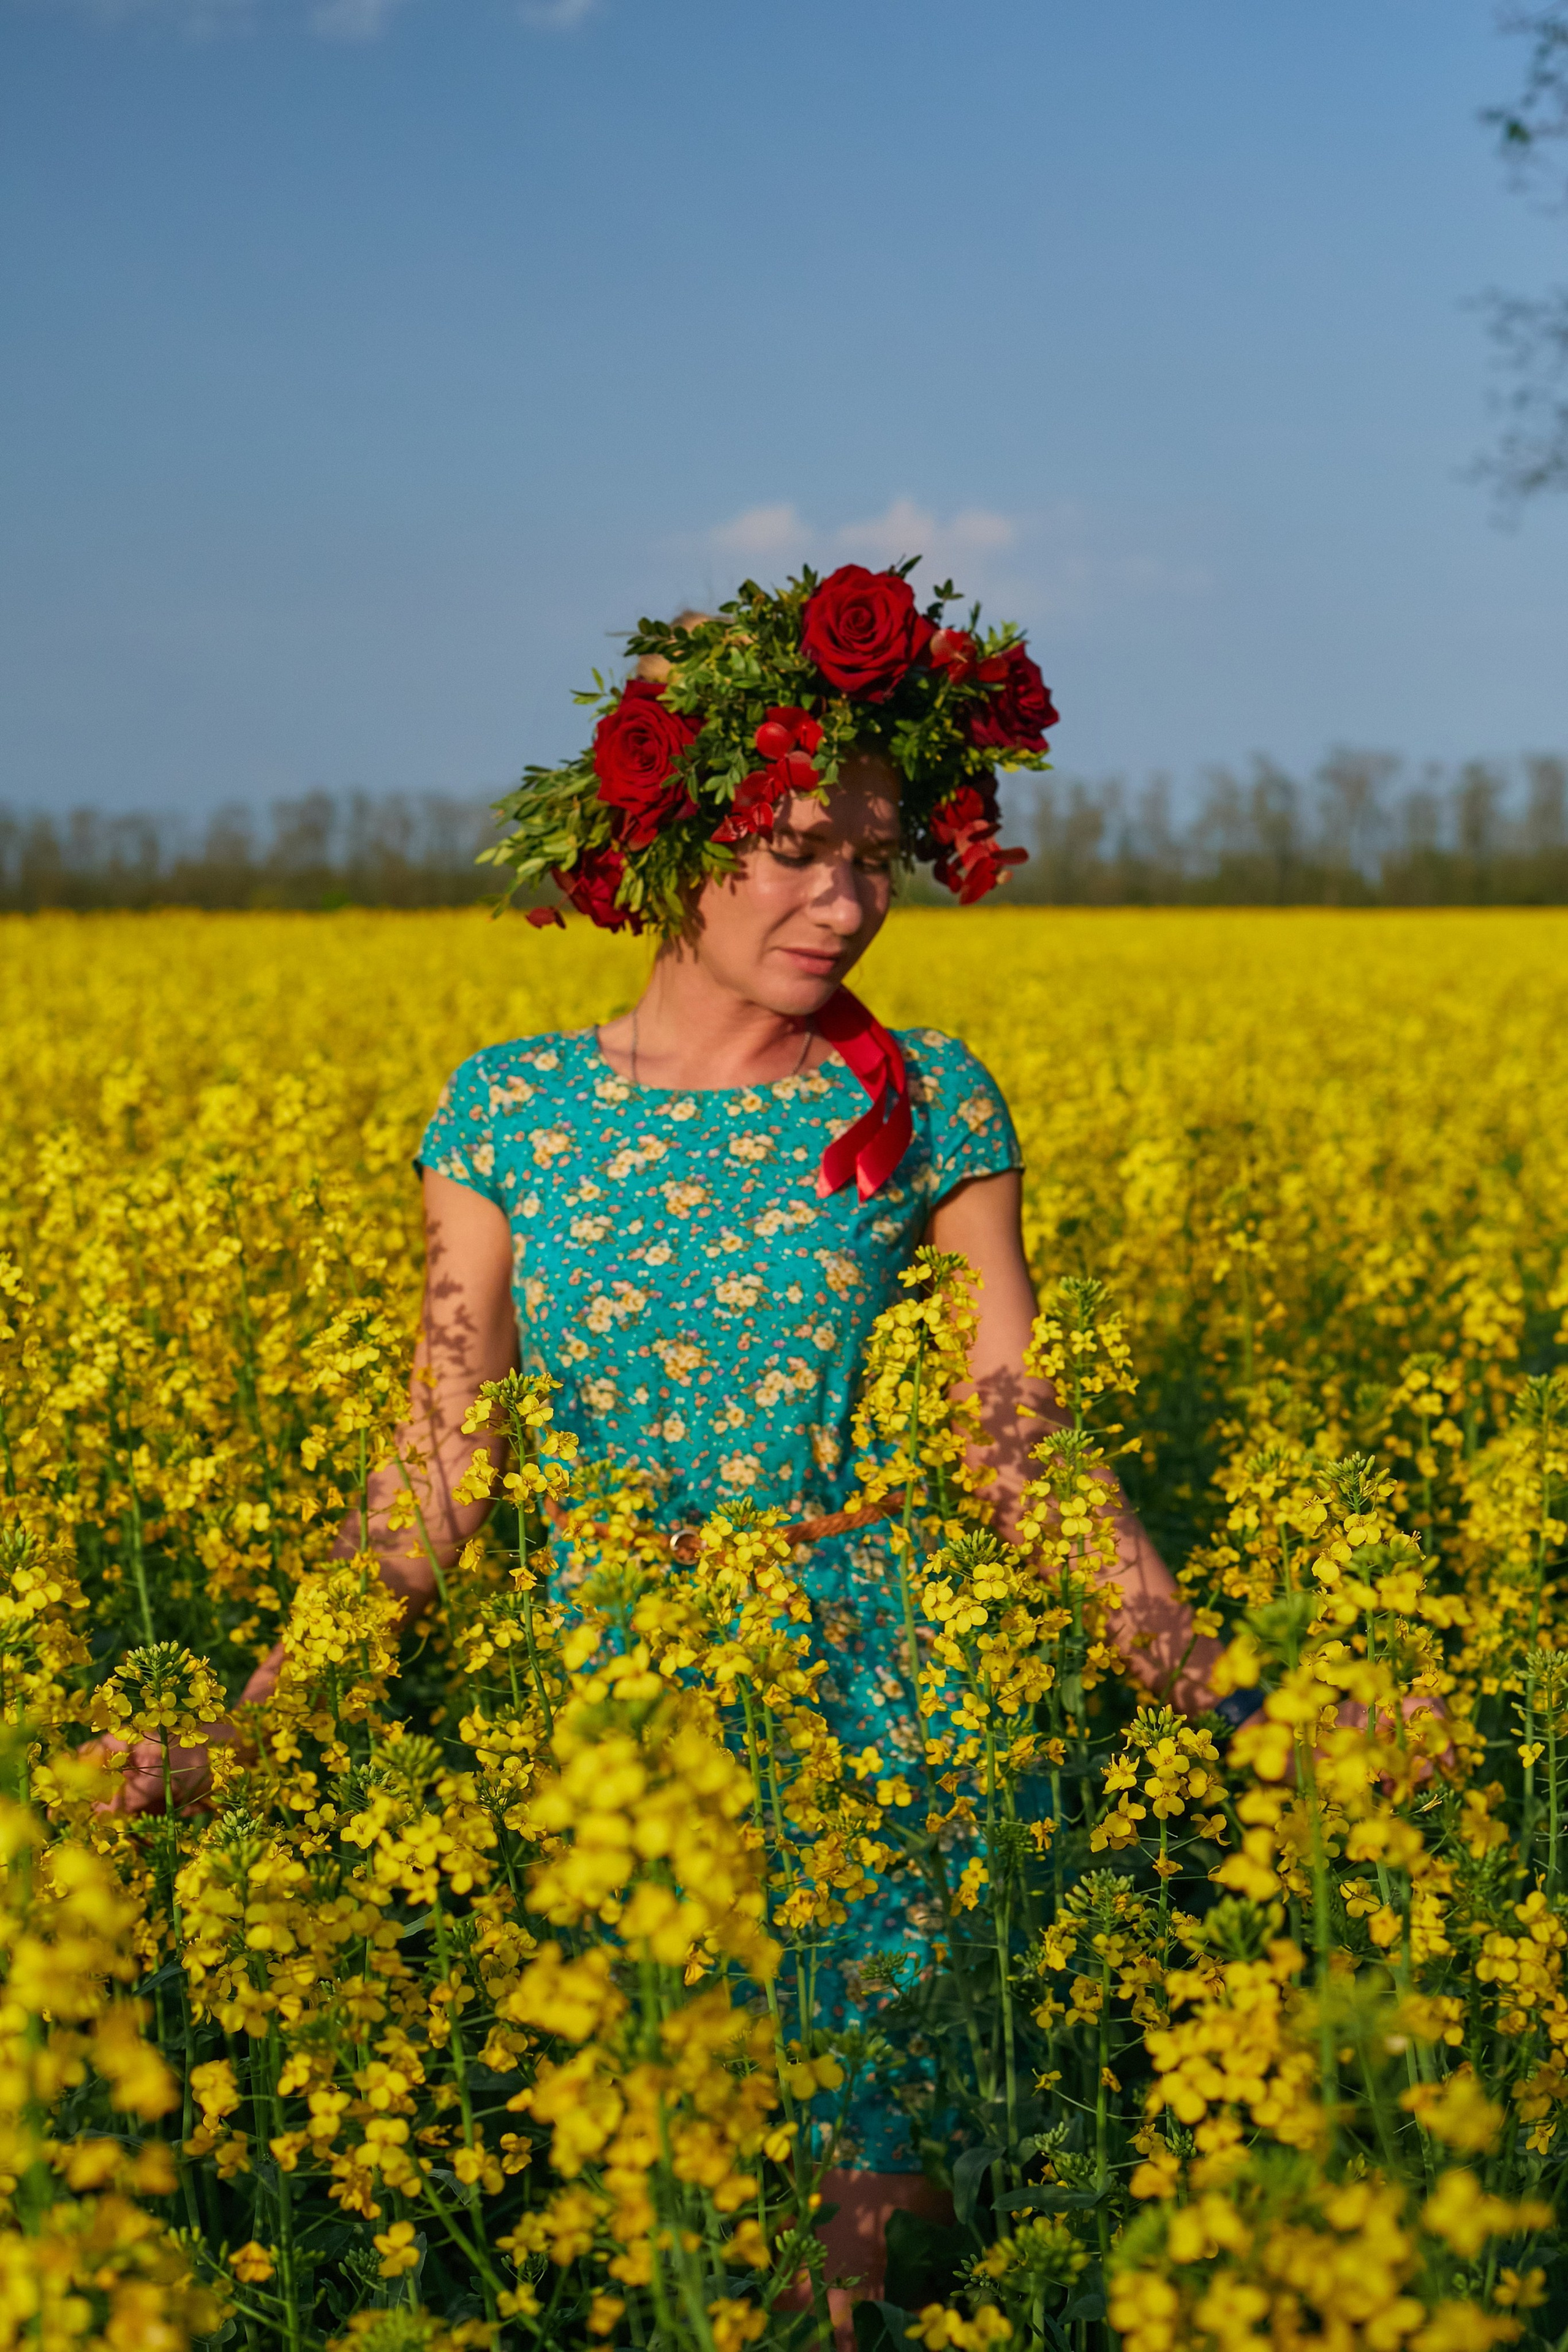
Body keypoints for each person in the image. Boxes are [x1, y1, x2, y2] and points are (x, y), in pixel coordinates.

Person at [95, 564, 1251, 2339]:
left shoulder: (933, 1097)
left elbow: (1020, 1442)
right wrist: (243, 1739)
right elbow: (432, 1474)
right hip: (615, 1728)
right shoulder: (513, 1109)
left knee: (857, 2268)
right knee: (665, 2249)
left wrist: (1236, 1702)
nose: (847, 899)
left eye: (877, 857)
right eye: (800, 847)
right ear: (664, 840)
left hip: (891, 1711)